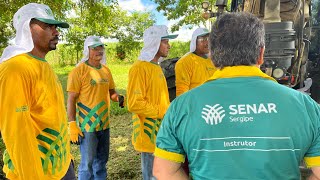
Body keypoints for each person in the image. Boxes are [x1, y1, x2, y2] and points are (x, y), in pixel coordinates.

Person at [153, 12, 320, 180]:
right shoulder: (306, 106)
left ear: (213, 56)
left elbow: (163, 171)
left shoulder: (181, 107)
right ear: (261, 54)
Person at [0, 3, 75, 179]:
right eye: (48, 26)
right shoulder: (15, 69)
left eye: (55, 27)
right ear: (27, 28)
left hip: (61, 167)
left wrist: (67, 160)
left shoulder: (43, 65)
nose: (56, 32)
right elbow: (17, 135)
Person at [67, 36, 124, 180]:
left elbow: (111, 93)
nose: (99, 51)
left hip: (104, 124)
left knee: (102, 162)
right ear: (87, 50)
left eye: (101, 48)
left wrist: (118, 98)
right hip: (88, 127)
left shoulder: (106, 70)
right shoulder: (78, 71)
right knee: (87, 164)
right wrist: (72, 123)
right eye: (95, 48)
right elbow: (72, 98)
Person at [126, 25, 177, 180]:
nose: (169, 45)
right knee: (151, 176)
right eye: (165, 41)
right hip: (148, 134)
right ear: (154, 43)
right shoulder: (139, 68)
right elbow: (134, 103)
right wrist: (162, 112)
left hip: (161, 131)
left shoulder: (157, 67)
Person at [175, 27, 216, 97]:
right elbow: (181, 93)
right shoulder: (185, 62)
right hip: (195, 105)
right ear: (195, 41)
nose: (207, 43)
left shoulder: (212, 61)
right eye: (203, 39)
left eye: (209, 39)